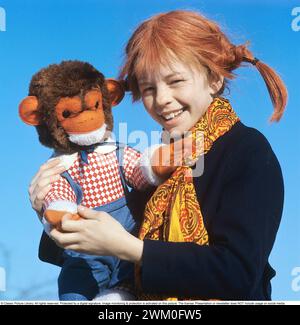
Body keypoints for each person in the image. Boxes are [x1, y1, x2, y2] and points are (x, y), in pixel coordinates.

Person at [29, 10, 287, 300]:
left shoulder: (247, 150)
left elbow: (238, 273)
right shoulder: (155, 165)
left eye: (176, 81)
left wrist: (131, 249)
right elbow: (107, 231)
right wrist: (52, 212)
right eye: (148, 88)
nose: (161, 99)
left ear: (213, 79)